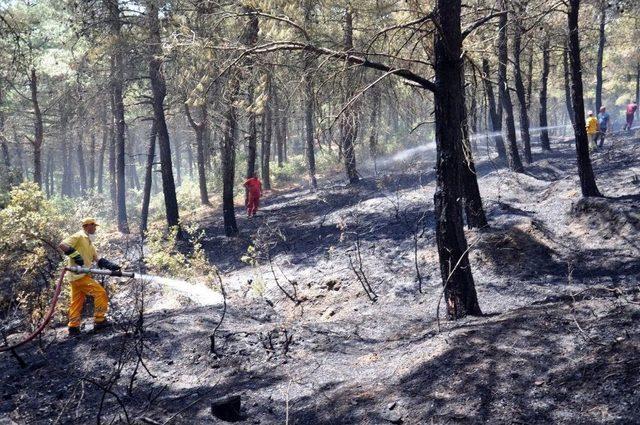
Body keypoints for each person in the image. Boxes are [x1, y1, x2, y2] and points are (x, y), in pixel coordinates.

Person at [58, 218, 119, 336]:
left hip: (77, 277)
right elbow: (62, 245)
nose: (95, 228)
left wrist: (110, 265)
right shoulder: (79, 236)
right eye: (93, 226)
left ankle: (73, 327)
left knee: (76, 301)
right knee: (100, 293)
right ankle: (100, 320)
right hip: (78, 276)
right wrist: (75, 255)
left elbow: (97, 259)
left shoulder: (90, 242)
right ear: (87, 226)